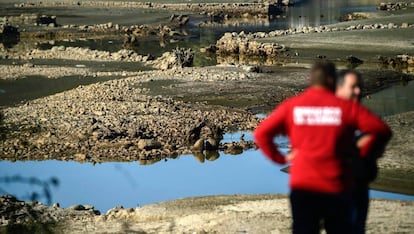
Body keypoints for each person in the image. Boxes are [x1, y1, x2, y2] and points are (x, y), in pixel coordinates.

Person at [254, 60, 392, 234]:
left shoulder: (293, 105)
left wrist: (280, 158)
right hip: (336, 186)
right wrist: (363, 152)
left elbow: (261, 134)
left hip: (303, 186)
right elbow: (381, 130)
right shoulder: (344, 107)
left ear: (311, 79)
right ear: (331, 80)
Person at [336, 70, 381, 234]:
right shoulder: (329, 117)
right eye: (353, 87)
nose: (359, 91)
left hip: (360, 186)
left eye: (360, 87)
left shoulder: (367, 119)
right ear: (339, 89)